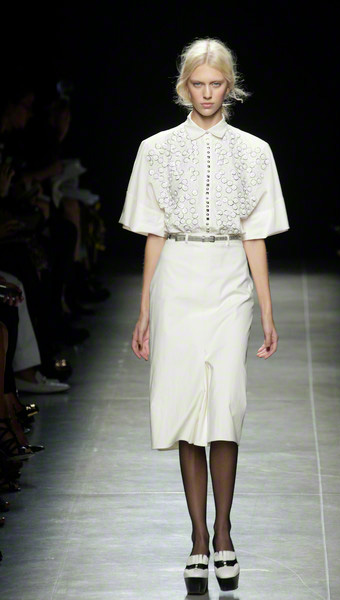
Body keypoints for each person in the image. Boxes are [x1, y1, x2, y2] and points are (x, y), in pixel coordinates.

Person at [119, 37, 289, 594]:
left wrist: (267, 310)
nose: (208, 93)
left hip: (229, 279)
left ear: (229, 86)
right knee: (188, 409)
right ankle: (197, 539)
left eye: (216, 84)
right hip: (177, 277)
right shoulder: (156, 149)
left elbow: (256, 235)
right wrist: (144, 308)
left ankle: (224, 531)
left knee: (225, 408)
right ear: (184, 86)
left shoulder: (255, 151)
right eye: (199, 84)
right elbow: (153, 232)